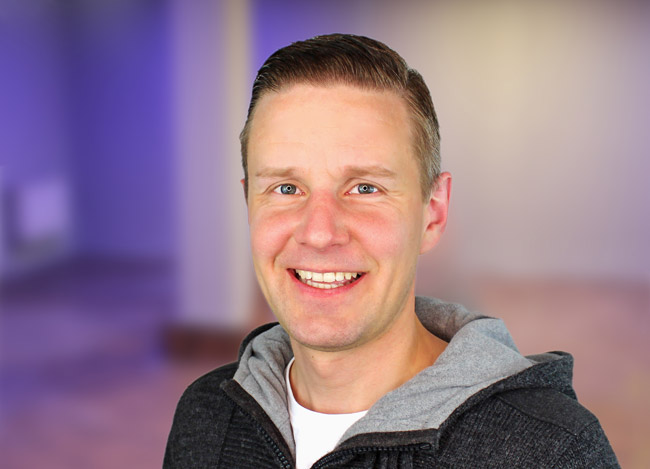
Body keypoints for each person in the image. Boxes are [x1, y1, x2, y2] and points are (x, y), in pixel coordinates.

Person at [164, 34, 618, 468]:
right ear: (248, 204)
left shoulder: (553, 452)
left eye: (365, 188)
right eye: (286, 188)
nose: (319, 233)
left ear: (432, 213)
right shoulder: (206, 416)